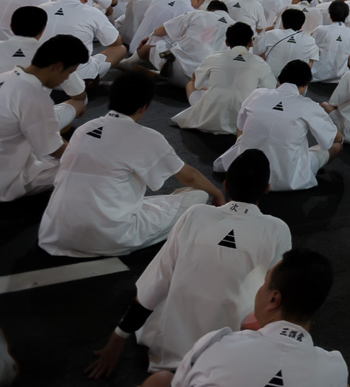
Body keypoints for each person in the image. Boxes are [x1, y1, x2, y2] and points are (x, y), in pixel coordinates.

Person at [84, 150, 291, 377]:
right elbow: (277, 298)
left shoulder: (196, 214)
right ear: (266, 189)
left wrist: (117, 339)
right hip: (230, 357)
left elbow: (157, 282)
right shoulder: (277, 229)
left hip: (173, 349)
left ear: (225, 185)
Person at [38, 73, 224, 257]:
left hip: (55, 232)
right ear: (143, 107)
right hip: (106, 236)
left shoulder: (84, 129)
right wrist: (217, 195)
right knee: (197, 195)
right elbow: (188, 176)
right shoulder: (147, 137)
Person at [142, 249, 348, 387]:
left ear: (274, 298)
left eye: (264, 284)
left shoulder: (217, 344)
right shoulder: (336, 369)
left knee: (162, 379)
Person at [213, 61, 343, 192]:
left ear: (280, 78)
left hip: (245, 169)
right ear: (305, 85)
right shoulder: (308, 106)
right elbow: (335, 138)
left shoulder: (257, 94)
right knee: (337, 146)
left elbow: (240, 127)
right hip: (288, 179)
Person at [0, 34, 89, 202]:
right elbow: (55, 150)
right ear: (57, 67)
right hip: (5, 180)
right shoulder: (35, 96)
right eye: (69, 72)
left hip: (7, 151)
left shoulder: (6, 77)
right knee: (82, 164)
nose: (66, 79)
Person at [171, 22, 275, 135]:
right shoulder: (259, 63)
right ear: (251, 42)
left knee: (191, 84)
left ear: (226, 42)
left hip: (210, 116)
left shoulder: (214, 57)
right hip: (242, 121)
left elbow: (195, 80)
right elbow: (271, 90)